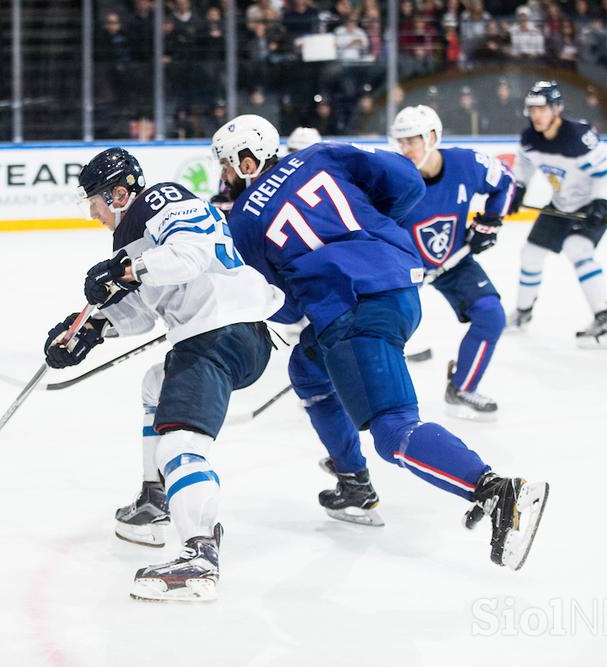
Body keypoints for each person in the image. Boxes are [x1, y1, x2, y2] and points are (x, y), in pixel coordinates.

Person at [211, 114, 549, 571]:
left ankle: (495, 492)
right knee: (307, 368)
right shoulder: (321, 153)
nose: (226, 176)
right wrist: (372, 241)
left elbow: (285, 308)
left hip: (356, 313)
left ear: (247, 160)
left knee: (394, 431)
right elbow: (407, 182)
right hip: (400, 283)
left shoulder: (244, 222)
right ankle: (353, 482)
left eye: (229, 166)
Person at [44, 148, 283, 601]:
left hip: (223, 329)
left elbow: (191, 255)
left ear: (118, 193)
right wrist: (90, 331)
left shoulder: (162, 200)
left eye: (94, 201)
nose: (92, 213)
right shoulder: (133, 236)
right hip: (218, 333)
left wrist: (127, 271)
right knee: (154, 384)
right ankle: (156, 500)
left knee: (181, 443)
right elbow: (139, 313)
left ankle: (199, 554)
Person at [390, 105, 514, 420]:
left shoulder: (466, 163)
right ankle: (338, 386)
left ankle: (462, 386)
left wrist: (490, 220)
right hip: (403, 271)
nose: (405, 149)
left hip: (453, 261)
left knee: (491, 315)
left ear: (431, 137)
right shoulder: (391, 176)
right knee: (377, 333)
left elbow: (505, 181)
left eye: (412, 140)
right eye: (400, 141)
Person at [506, 81, 607, 348]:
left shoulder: (580, 137)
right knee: (530, 253)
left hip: (595, 201)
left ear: (557, 108)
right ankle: (523, 313)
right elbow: (523, 163)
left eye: (542, 109)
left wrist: (601, 203)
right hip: (562, 203)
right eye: (532, 109)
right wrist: (519, 187)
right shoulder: (530, 138)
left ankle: (604, 319)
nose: (536, 115)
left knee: (577, 247)